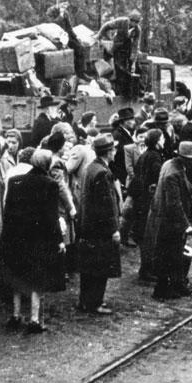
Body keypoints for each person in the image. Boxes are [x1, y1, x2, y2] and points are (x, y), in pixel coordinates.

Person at [0, 149, 65, 333]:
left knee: (17, 277)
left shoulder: (15, 181)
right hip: (38, 239)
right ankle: (34, 320)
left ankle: (16, 315)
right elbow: (52, 216)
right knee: (36, 279)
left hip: (15, 237)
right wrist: (59, 240)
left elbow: (8, 210)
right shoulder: (49, 184)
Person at [145, 141, 192, 299]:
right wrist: (186, 226)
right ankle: (162, 290)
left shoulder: (171, 164)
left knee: (174, 255)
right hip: (168, 221)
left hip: (165, 218)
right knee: (168, 256)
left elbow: (186, 186)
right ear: (184, 158)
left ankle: (177, 284)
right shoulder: (173, 173)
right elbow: (174, 204)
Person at [77, 134, 121, 314]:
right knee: (100, 266)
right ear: (109, 152)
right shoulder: (103, 173)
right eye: (113, 149)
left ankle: (85, 301)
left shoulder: (91, 168)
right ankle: (95, 302)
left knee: (88, 268)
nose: (115, 152)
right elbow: (108, 204)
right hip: (100, 228)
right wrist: (114, 229)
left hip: (88, 225)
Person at [132, 129, 164, 281]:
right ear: (157, 141)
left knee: (143, 234)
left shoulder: (144, 155)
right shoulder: (156, 158)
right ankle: (146, 270)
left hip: (140, 200)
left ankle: (146, 268)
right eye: (162, 138)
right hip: (150, 201)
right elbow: (157, 180)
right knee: (150, 236)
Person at [96, 10, 142, 99]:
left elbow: (136, 45)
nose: (134, 24)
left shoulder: (137, 30)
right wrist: (99, 36)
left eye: (136, 22)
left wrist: (133, 61)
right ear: (129, 19)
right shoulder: (121, 21)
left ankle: (131, 91)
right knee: (119, 68)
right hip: (117, 46)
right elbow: (107, 26)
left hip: (128, 48)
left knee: (133, 69)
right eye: (132, 21)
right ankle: (119, 91)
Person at [45, 0, 87, 81]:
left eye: (66, 3)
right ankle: (69, 75)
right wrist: (60, 15)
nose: (65, 5)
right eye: (63, 3)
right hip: (54, 37)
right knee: (65, 52)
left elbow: (69, 28)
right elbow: (51, 26)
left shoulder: (66, 13)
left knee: (80, 48)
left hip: (65, 36)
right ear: (58, 3)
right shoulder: (51, 11)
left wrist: (76, 38)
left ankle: (81, 73)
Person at [111, 107, 136, 186]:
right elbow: (116, 157)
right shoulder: (118, 135)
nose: (133, 122)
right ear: (123, 122)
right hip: (122, 175)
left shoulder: (126, 133)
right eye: (130, 120)